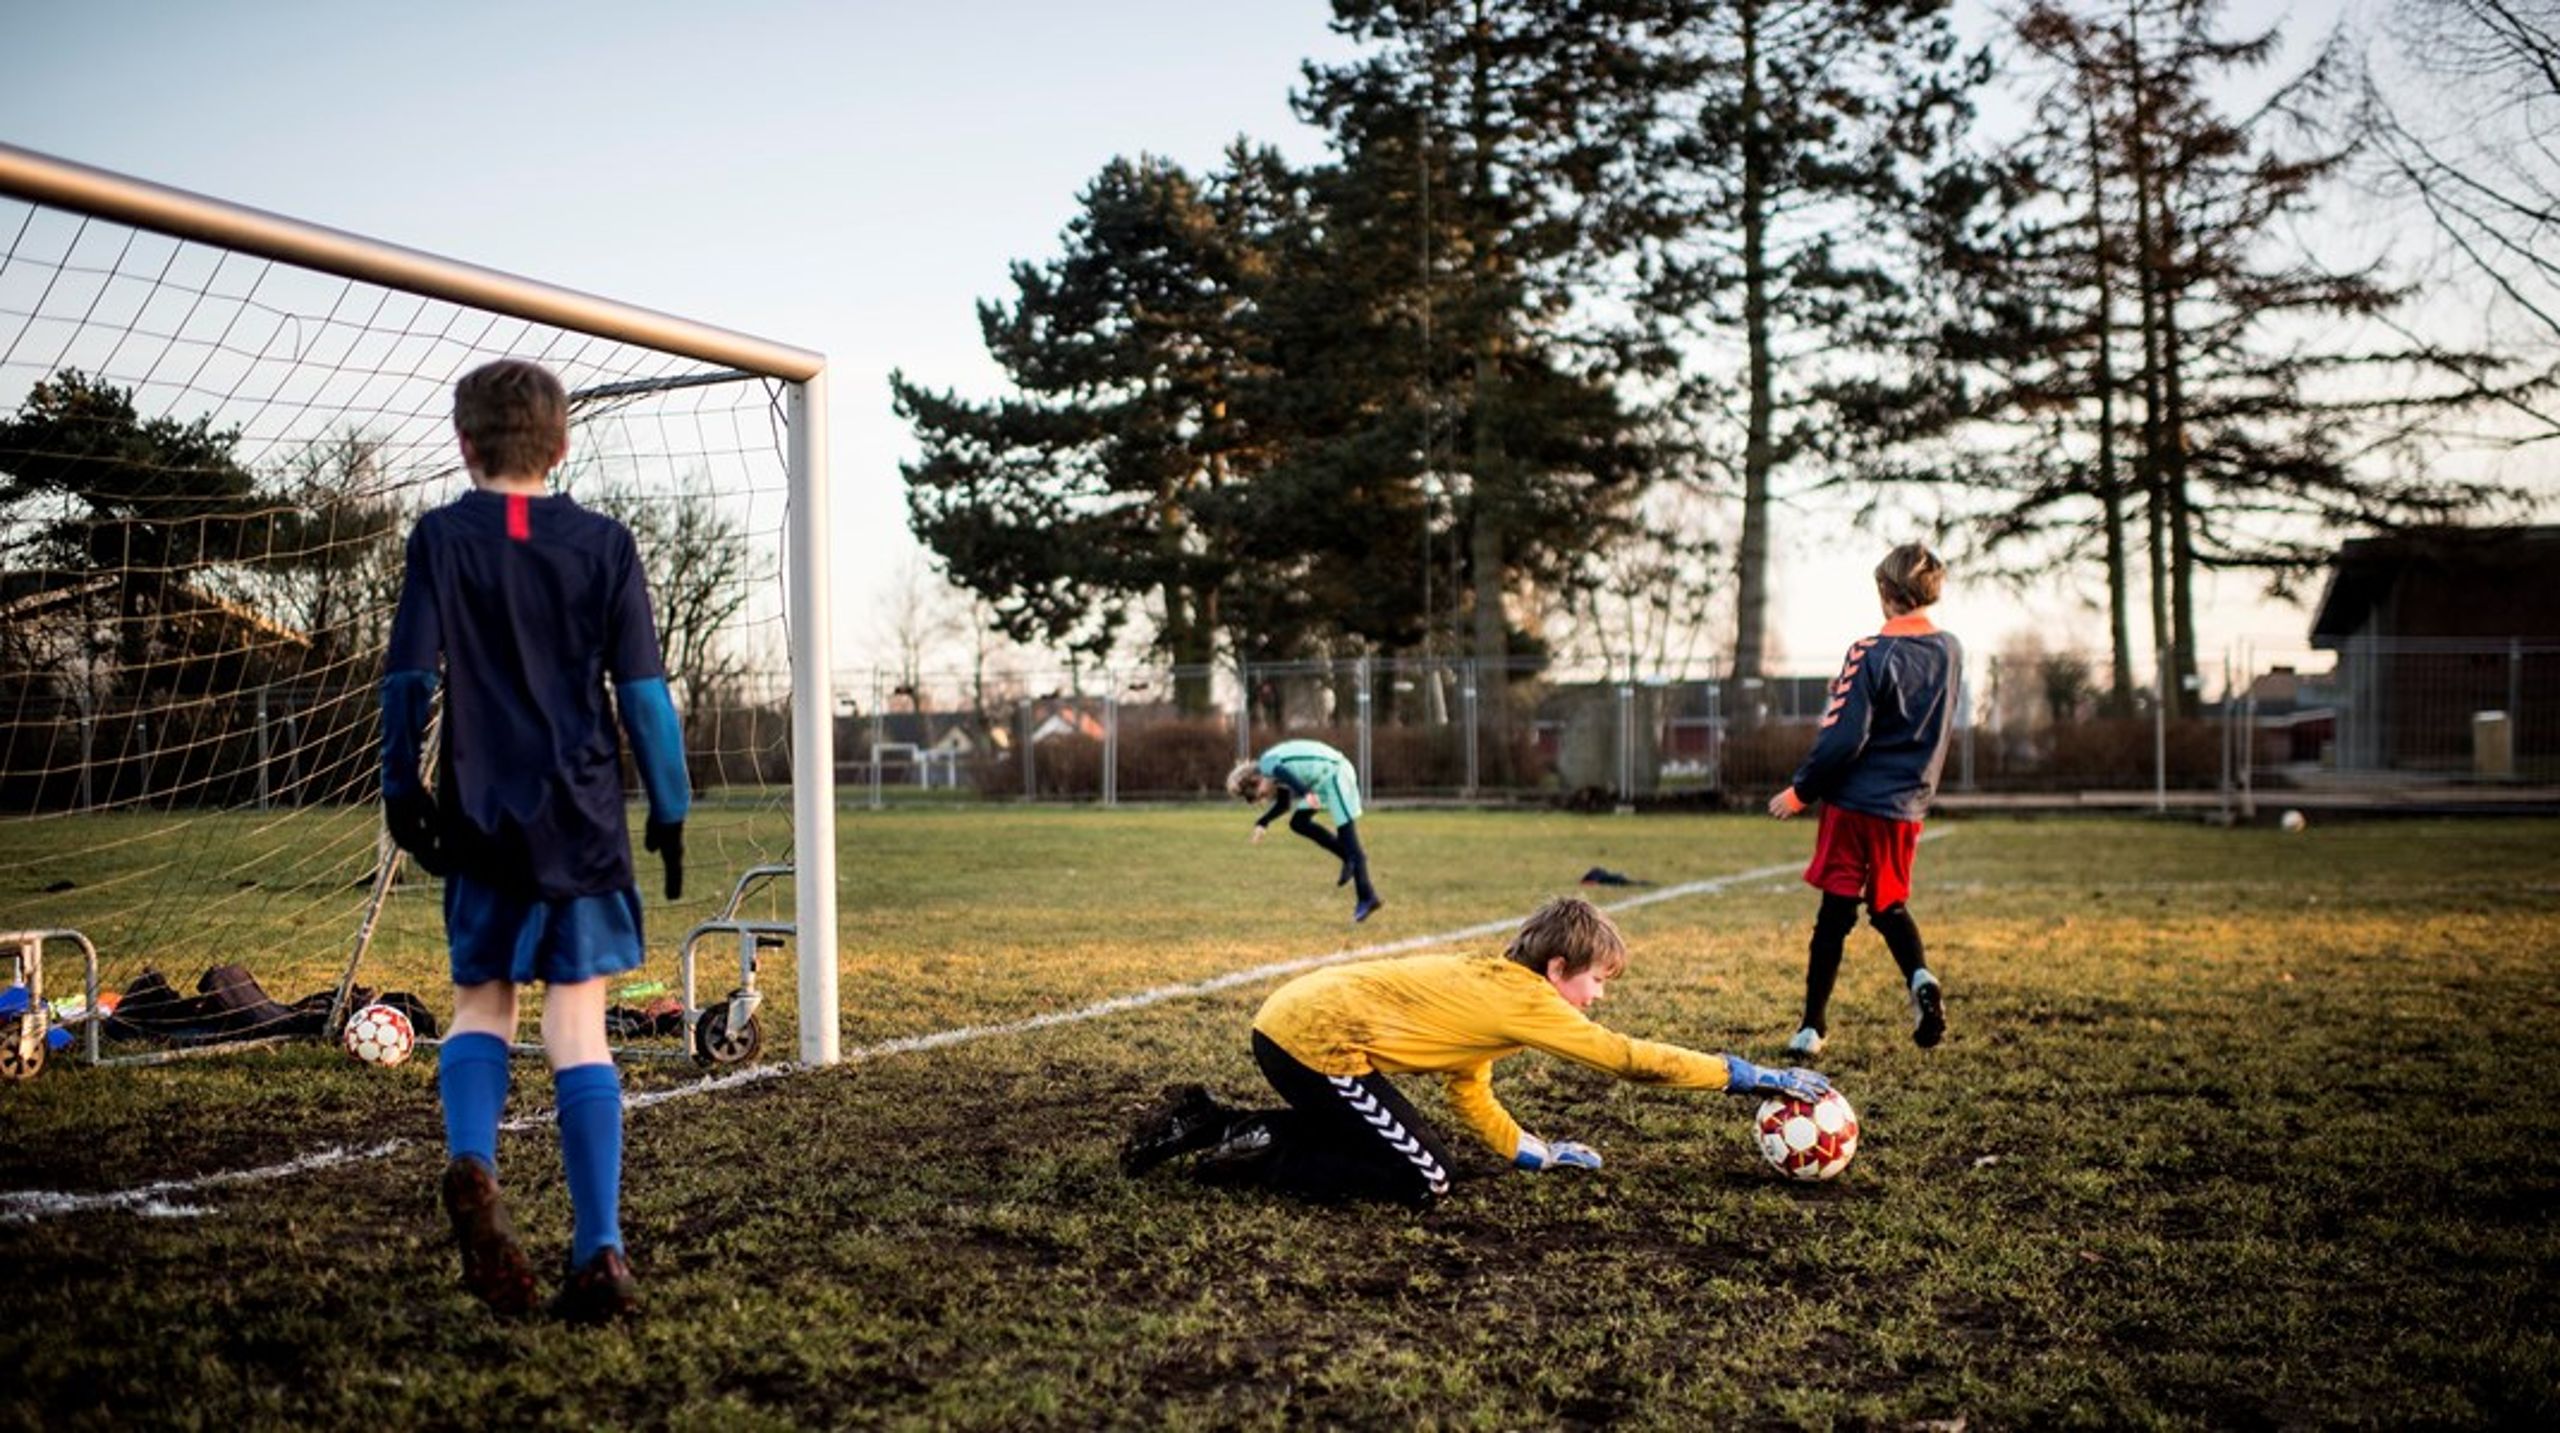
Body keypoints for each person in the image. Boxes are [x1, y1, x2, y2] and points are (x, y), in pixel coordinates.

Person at [380, 358, 689, 1324]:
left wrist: (402, 783)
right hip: (583, 817)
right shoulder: (604, 543)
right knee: (578, 1023)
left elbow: (407, 678)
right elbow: (641, 693)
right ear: (561, 446)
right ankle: (600, 1249)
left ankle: (473, 1162)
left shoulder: (441, 536)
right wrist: (670, 802)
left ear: (465, 444)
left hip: (479, 810)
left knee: (481, 1004)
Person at [1118, 897, 1830, 1206]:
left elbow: (1471, 1088)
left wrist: (1535, 1152)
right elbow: (1629, 1059)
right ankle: (1229, 1137)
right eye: (1596, 982)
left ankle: (1214, 1123)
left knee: (1393, 1143)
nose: (1598, 997)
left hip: (1295, 1024)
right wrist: (1750, 1077)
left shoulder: (1494, 988)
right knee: (1424, 1175)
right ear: (1557, 970)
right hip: (1317, 1042)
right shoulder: (1526, 1001)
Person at [1766, 541, 1962, 1056]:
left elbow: (1842, 738)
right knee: (1890, 905)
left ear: (1885, 591)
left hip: (1854, 804)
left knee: (1835, 914)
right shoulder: (1951, 650)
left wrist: (1800, 790)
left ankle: (1812, 1028)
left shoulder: (1869, 652)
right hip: (1907, 807)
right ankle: (1920, 976)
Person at [1229, 738, 1382, 923]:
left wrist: (1306, 793)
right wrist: (1263, 822)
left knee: (1349, 839)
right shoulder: (1275, 776)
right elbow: (1284, 804)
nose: (1266, 796)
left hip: (1335, 773)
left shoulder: (1267, 764)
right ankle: (1347, 856)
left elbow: (1281, 771)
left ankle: (1367, 897)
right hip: (1323, 782)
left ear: (1256, 779)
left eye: (1261, 794)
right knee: (1298, 822)